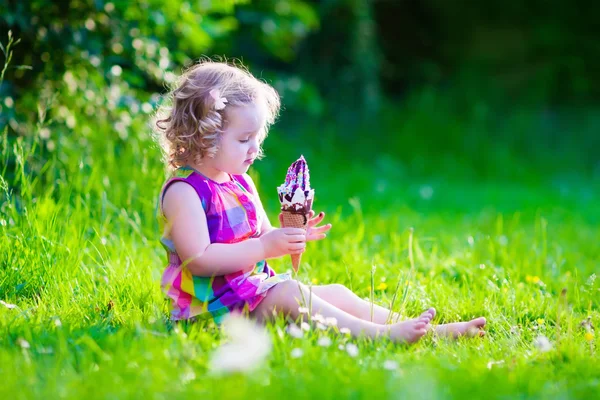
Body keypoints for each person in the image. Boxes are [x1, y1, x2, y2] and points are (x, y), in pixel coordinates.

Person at [153, 60, 486, 343]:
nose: (254, 149)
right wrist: (267, 246)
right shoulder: (185, 191)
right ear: (204, 134)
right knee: (289, 294)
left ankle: (426, 330)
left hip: (249, 297)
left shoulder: (240, 182)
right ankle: (381, 335)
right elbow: (199, 260)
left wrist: (289, 236)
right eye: (243, 139)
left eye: (257, 138)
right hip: (210, 314)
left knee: (337, 292)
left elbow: (262, 235)